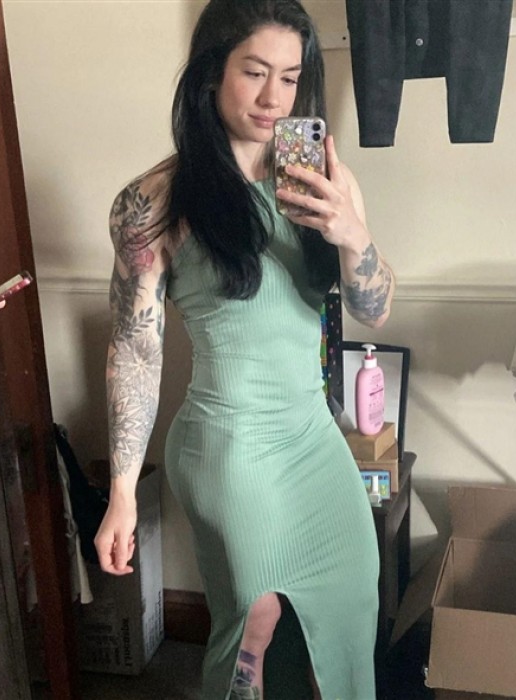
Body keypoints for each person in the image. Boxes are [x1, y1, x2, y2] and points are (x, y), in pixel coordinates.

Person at [94, 1, 395, 698]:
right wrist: (122, 495)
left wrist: (352, 234)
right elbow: (135, 350)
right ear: (211, 73)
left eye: (290, 78)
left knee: (353, 597)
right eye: (254, 72)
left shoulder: (323, 179)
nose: (273, 98)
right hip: (227, 441)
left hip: (311, 434)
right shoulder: (154, 203)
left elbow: (374, 310)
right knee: (254, 616)